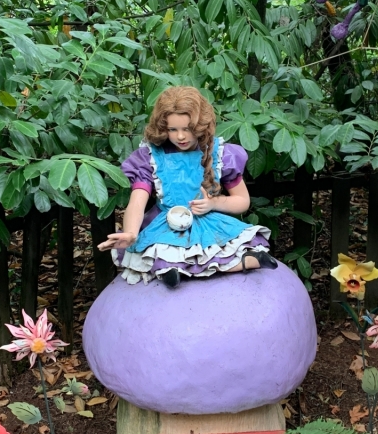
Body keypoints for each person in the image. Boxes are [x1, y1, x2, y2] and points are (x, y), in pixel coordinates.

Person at [96, 86, 276, 288]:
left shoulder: (220, 153)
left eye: (187, 129)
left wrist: (213, 203)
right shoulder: (151, 157)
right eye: (173, 129)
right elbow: (137, 202)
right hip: (166, 223)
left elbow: (243, 200)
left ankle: (242, 262)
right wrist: (131, 232)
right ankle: (170, 270)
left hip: (209, 224)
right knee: (161, 252)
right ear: (163, 127)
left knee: (238, 247)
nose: (180, 136)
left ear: (200, 125)